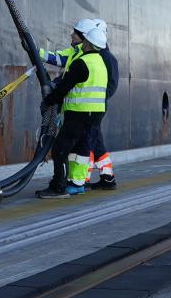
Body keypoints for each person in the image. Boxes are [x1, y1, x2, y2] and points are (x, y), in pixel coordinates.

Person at [37, 18, 119, 189]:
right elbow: (59, 60)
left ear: (87, 39)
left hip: (84, 110)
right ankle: (80, 181)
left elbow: (72, 82)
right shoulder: (87, 56)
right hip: (88, 110)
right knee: (84, 146)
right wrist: (35, 51)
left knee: (71, 146)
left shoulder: (92, 60)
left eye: (76, 33)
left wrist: (51, 98)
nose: (71, 35)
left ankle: (100, 178)